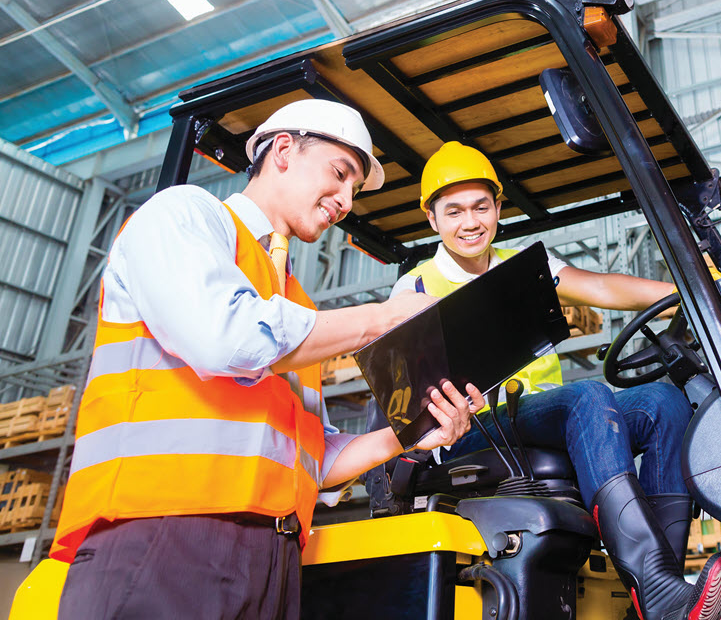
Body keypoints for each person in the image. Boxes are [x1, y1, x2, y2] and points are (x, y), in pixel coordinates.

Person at [51, 100, 483, 619]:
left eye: (354, 190)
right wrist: (380, 319)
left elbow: (312, 458)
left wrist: (412, 434)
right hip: (164, 536)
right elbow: (223, 339)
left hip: (273, 555)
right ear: (282, 150)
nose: (346, 201)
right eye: (340, 173)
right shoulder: (183, 216)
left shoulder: (296, 307)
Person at [385, 141, 721, 620]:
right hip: (470, 429)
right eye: (453, 212)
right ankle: (652, 581)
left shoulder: (525, 265)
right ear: (433, 219)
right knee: (589, 397)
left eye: (480, 207)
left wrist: (692, 295)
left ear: (497, 207)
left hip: (540, 415)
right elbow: (405, 395)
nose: (470, 222)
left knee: (663, 400)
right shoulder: (415, 288)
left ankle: (661, 591)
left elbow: (599, 286)